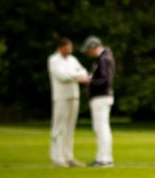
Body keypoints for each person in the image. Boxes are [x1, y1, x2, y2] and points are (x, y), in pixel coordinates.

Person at [47, 37, 90, 167]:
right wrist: (76, 76)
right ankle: (57, 157)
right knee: (59, 127)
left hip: (74, 96)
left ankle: (68, 156)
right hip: (61, 97)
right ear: (60, 48)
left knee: (70, 128)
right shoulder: (53, 60)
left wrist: (73, 75)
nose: (69, 51)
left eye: (70, 48)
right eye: (66, 48)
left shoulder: (73, 59)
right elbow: (62, 76)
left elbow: (83, 71)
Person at [82, 35, 115, 167]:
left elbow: (104, 79)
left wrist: (90, 82)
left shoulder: (104, 59)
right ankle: (102, 157)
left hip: (101, 97)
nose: (88, 53)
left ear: (93, 47)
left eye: (88, 50)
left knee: (102, 128)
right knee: (99, 128)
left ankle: (104, 159)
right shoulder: (102, 58)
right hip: (101, 97)